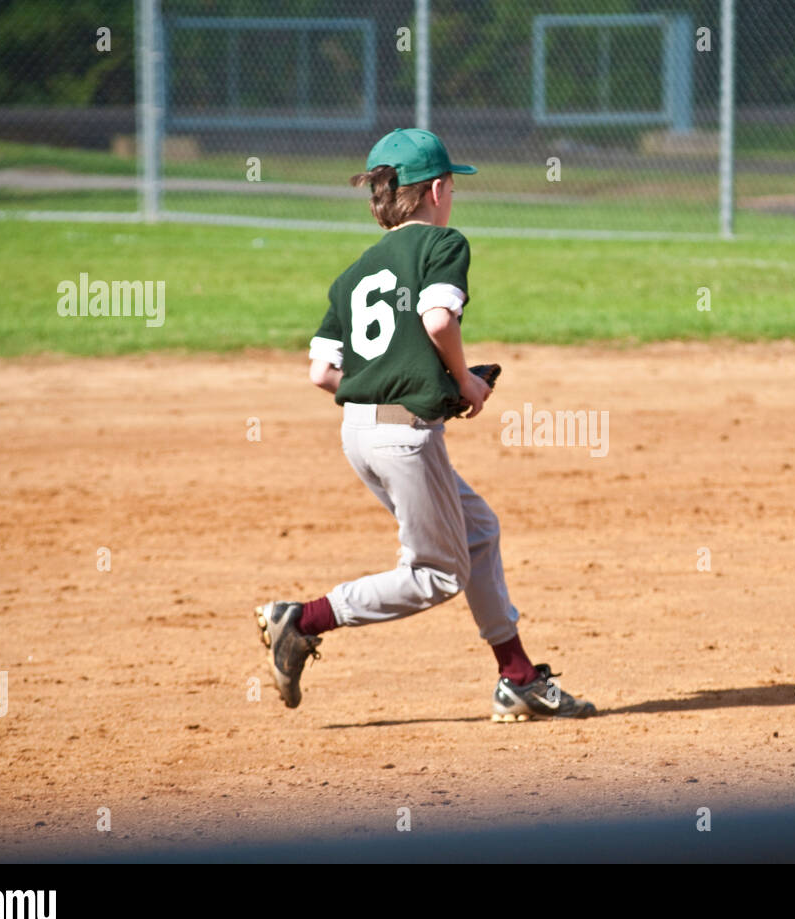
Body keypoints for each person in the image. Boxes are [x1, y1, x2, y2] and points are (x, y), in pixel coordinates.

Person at [255, 128, 596, 722]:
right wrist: (462, 383)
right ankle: (300, 620)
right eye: (450, 186)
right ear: (437, 188)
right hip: (402, 438)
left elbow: (321, 372)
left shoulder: (354, 273)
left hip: (360, 430)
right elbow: (438, 320)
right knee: (435, 574)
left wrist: (418, 390)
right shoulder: (443, 244)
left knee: (478, 531)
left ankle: (517, 678)